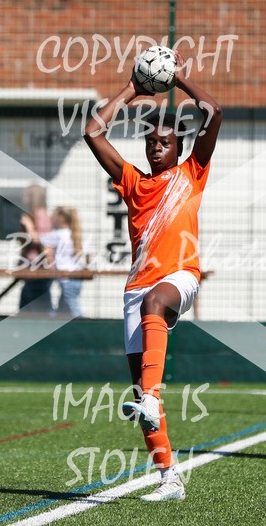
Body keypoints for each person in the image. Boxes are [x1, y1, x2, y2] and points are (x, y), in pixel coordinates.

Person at [83, 50, 222, 502]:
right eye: (150, 142)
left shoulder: (192, 173)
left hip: (179, 278)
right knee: (143, 394)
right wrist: (131, 89)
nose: (156, 145)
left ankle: (152, 395)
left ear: (179, 148)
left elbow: (214, 112)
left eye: (165, 141)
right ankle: (170, 479)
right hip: (136, 290)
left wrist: (179, 79)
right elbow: (92, 131)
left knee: (154, 306)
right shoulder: (133, 182)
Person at [39, 206, 91, 318]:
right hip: (77, 275)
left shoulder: (58, 234)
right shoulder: (76, 234)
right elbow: (89, 254)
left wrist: (29, 225)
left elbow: (40, 240)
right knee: (63, 307)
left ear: (60, 218)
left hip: (65, 277)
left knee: (73, 306)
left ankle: (86, 327)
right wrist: (86, 266)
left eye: (53, 215)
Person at [18, 184, 54, 314]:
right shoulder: (32, 215)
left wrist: (29, 226)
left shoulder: (40, 215)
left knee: (40, 308)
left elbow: (43, 242)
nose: (23, 197)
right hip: (30, 270)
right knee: (26, 308)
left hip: (40, 270)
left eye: (26, 194)